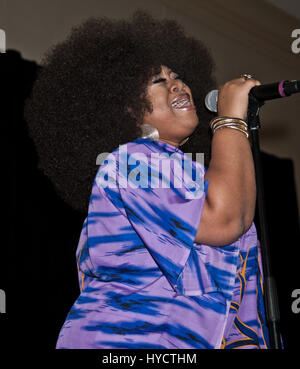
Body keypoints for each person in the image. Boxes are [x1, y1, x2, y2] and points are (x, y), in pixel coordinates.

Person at [25, 11, 269, 349]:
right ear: (127, 108)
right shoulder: (129, 164)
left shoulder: (204, 180)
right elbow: (225, 220)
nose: (178, 84)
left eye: (177, 75)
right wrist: (229, 119)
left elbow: (238, 311)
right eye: (158, 81)